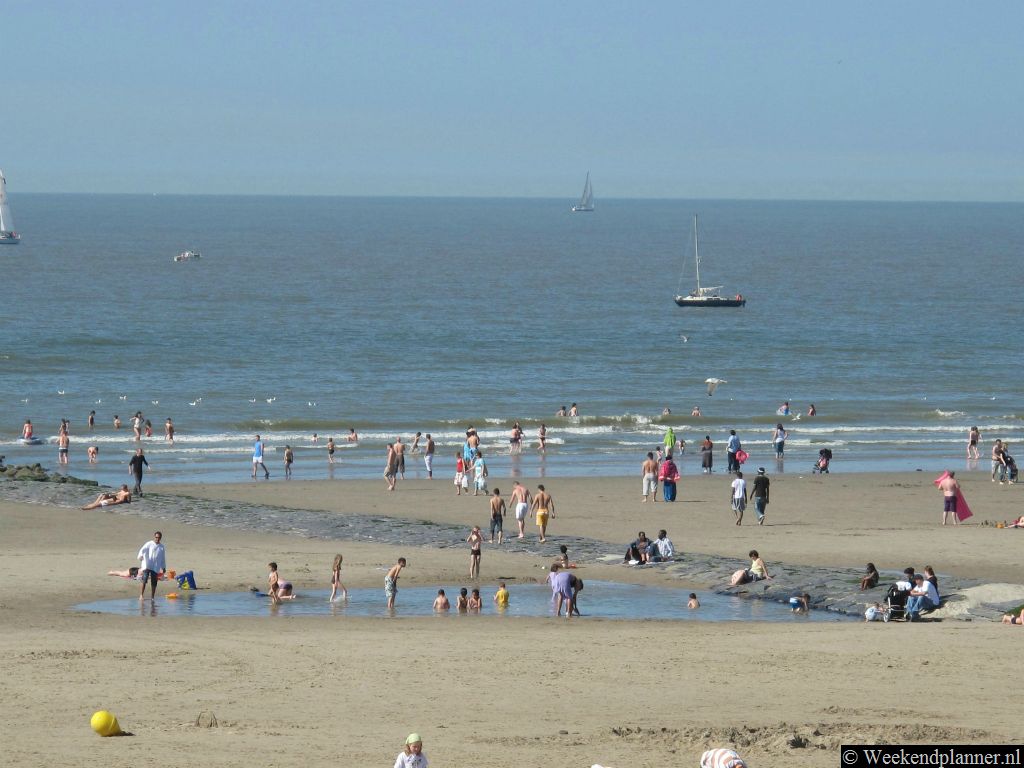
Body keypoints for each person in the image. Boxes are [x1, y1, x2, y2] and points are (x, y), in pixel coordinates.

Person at [137, 531, 166, 600]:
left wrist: (163, 567)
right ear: (154, 537)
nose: (157, 539)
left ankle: (152, 597)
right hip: (147, 565)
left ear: (160, 538)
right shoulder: (149, 543)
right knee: (144, 579)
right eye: (156, 537)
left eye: (159, 538)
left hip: (155, 566)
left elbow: (163, 558)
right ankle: (141, 595)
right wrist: (140, 556)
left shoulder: (162, 547)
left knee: (154, 582)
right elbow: (142, 549)